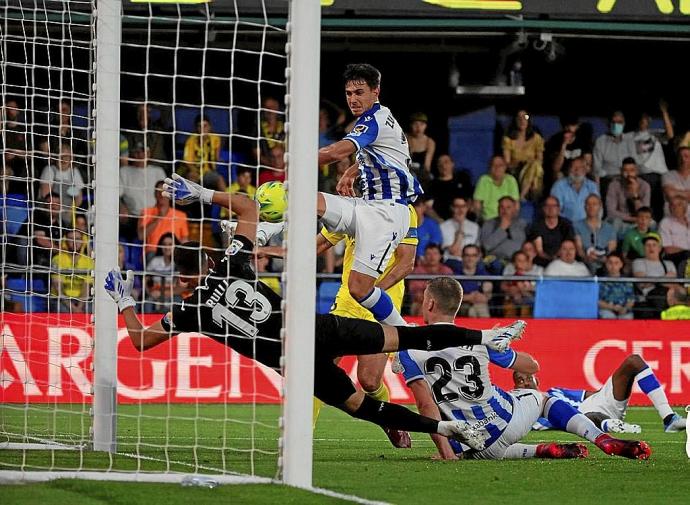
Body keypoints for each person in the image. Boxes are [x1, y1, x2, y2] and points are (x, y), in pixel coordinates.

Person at [107, 174, 527, 447]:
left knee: (362, 404)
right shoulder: (233, 261)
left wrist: (126, 303)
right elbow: (249, 207)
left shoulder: (190, 311)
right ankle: (487, 337)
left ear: (180, 282)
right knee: (409, 338)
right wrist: (201, 194)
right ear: (207, 262)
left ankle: (447, 429)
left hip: (298, 361)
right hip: (319, 329)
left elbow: (141, 341)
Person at [395, 277, 651, 460]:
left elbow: (425, 406)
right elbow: (533, 366)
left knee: (480, 445)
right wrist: (502, 345)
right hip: (505, 423)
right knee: (542, 400)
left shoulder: (410, 347)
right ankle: (598, 438)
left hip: (469, 443)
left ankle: (538, 450)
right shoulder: (480, 338)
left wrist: (446, 455)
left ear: (429, 304)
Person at [316, 63, 423, 327]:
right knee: (311, 202)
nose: (353, 99)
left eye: (359, 92)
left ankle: (405, 342)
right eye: (349, 93)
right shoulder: (385, 119)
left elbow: (335, 152)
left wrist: (294, 162)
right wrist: (353, 171)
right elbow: (392, 158)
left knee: (360, 291)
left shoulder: (372, 121)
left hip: (387, 216)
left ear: (376, 91)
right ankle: (265, 231)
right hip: (370, 209)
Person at [314, 203, 418, 447]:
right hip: (346, 305)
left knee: (369, 381)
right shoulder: (352, 209)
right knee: (318, 367)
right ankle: (299, 438)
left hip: (381, 307)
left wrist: (371, 295)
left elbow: (406, 263)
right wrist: (275, 250)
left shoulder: (405, 211)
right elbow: (319, 244)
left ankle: (390, 420)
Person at [517, 354, 686, 434]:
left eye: (528, 377)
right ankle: (609, 425)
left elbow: (592, 396)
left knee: (634, 361)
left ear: (537, 380)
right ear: (516, 386)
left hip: (598, 404)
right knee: (585, 415)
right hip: (581, 419)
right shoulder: (525, 408)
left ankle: (669, 418)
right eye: (520, 380)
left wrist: (616, 387)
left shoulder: (556, 392)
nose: (525, 382)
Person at [632, 232, 679, 319]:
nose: (651, 248)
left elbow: (673, 284)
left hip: (668, 298)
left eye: (654, 245)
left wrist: (654, 281)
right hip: (648, 300)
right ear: (643, 248)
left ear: (660, 248)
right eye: (648, 245)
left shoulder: (669, 264)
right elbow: (642, 283)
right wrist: (664, 278)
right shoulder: (638, 262)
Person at [502, 109, 545, 202]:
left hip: (534, 170)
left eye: (525, 117)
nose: (522, 120)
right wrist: (521, 162)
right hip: (516, 170)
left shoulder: (536, 138)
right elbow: (507, 163)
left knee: (535, 165)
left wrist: (530, 163)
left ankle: (523, 195)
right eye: (519, 118)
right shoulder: (508, 140)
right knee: (534, 167)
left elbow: (540, 160)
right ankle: (527, 196)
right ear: (515, 121)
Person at [138, 180, 189, 257]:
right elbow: (141, 236)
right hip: (153, 253)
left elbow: (184, 240)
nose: (161, 194)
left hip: (173, 253)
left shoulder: (181, 215)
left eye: (165, 192)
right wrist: (158, 218)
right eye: (159, 191)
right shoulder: (146, 212)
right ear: (155, 194)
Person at [543, 114, 591, 193]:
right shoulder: (554, 140)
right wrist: (564, 145)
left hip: (578, 172)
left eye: (572, 125)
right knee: (558, 176)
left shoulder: (583, 140)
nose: (569, 128)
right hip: (563, 173)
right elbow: (555, 168)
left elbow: (588, 164)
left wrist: (577, 170)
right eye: (566, 125)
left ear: (577, 126)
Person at [50, 228, 94, 313]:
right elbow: (58, 288)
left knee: (92, 309)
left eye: (78, 239)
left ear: (82, 241)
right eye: (71, 239)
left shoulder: (88, 261)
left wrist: (79, 307)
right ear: (65, 241)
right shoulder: (57, 259)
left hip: (81, 300)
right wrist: (73, 308)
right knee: (62, 310)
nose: (75, 242)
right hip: (61, 300)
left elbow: (86, 287)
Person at [119, 142, 168, 219]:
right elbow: (118, 195)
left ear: (148, 154)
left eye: (143, 152)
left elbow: (165, 195)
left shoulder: (158, 171)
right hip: (131, 216)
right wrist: (121, 207)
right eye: (137, 152)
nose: (140, 155)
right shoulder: (124, 171)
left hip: (154, 215)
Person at [605, 157, 651, 234]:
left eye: (632, 170)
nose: (629, 174)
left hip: (639, 222)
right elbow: (610, 212)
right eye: (625, 171)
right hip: (621, 221)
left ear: (636, 171)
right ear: (621, 171)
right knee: (612, 222)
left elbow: (645, 213)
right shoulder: (614, 185)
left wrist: (635, 195)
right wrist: (631, 218)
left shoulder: (645, 186)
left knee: (652, 224)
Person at [574, 194, 617, 274]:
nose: (591, 207)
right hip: (584, 264)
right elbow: (579, 248)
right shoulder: (577, 226)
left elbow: (612, 248)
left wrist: (601, 258)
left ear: (600, 206)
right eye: (588, 204)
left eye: (594, 204)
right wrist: (586, 257)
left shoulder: (609, 228)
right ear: (584, 207)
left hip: (605, 265)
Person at [446, 244, 492, 318]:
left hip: (479, 305)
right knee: (473, 311)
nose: (470, 259)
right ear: (462, 257)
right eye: (467, 255)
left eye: (473, 255)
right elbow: (451, 297)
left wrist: (483, 297)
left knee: (479, 309)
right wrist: (469, 297)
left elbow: (487, 295)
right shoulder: (454, 274)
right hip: (461, 306)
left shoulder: (484, 274)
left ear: (478, 257)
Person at [181, 114, 225, 190]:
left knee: (219, 179)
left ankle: (227, 200)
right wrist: (196, 173)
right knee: (191, 179)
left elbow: (217, 157)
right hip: (195, 171)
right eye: (199, 126)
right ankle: (192, 201)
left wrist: (219, 160)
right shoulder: (191, 140)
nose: (202, 129)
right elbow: (188, 162)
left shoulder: (216, 138)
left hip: (209, 172)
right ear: (196, 128)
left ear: (210, 127)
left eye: (205, 126)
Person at [528, 196, 575, 267]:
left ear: (559, 209)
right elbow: (539, 251)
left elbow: (567, 245)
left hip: (562, 260)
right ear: (543, 208)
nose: (551, 208)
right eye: (547, 206)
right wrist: (551, 259)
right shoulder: (537, 225)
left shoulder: (566, 224)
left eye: (554, 206)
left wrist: (556, 258)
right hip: (541, 261)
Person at [550, 156, 600, 223]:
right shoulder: (559, 186)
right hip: (565, 227)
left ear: (585, 171)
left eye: (580, 168)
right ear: (569, 170)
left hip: (587, 227)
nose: (577, 170)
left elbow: (598, 209)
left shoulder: (592, 186)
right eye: (574, 167)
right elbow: (554, 211)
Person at [409, 244, 454, 316]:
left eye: (435, 253)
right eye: (428, 254)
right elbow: (418, 295)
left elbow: (449, 294)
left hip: (443, 304)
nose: (432, 257)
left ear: (440, 256)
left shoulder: (447, 271)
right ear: (424, 256)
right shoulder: (418, 271)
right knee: (421, 308)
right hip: (421, 302)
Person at [473, 155, 520, 222]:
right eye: (494, 165)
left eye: (500, 165)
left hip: (507, 219)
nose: (497, 168)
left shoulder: (511, 180)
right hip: (488, 220)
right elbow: (477, 205)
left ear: (505, 167)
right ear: (490, 168)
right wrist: (481, 221)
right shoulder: (483, 180)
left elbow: (516, 205)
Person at [479, 196, 527, 262]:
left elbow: (521, 245)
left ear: (514, 209)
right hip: (494, 261)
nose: (504, 210)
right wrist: (502, 228)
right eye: (501, 207)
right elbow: (486, 246)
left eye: (508, 207)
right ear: (498, 209)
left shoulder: (522, 224)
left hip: (516, 261)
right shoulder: (488, 224)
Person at [593, 110, 636, 185]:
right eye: (613, 122)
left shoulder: (629, 140)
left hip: (627, 178)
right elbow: (597, 168)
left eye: (619, 122)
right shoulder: (600, 141)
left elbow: (634, 163)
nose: (616, 125)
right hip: (608, 179)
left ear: (624, 124)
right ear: (609, 124)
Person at [427, 154, 473, 221]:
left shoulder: (462, 180)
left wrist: (463, 217)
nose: (443, 165)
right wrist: (439, 221)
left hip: (463, 220)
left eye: (446, 162)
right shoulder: (432, 185)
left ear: (452, 164)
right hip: (442, 222)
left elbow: (469, 201)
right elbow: (428, 207)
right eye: (440, 163)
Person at [440, 197, 480, 262]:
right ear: (452, 208)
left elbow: (477, 251)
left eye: (463, 206)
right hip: (452, 260)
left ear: (467, 208)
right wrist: (461, 226)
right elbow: (453, 251)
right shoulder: (443, 226)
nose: (460, 210)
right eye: (457, 206)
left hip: (471, 262)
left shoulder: (475, 227)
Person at [500, 250, 537, 318]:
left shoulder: (530, 276)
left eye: (524, 260)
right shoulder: (515, 275)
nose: (522, 263)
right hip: (514, 301)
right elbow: (504, 286)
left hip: (526, 301)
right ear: (514, 263)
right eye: (519, 260)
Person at [598, 252, 635, 319]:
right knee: (608, 317)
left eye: (616, 263)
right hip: (607, 310)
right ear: (606, 264)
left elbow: (631, 299)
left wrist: (625, 309)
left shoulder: (627, 281)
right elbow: (598, 301)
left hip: (624, 311)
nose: (613, 266)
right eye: (610, 263)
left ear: (621, 264)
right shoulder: (601, 281)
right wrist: (613, 307)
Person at [659, 195, 690, 268]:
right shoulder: (665, 223)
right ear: (669, 207)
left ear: (685, 207)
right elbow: (667, 249)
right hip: (675, 257)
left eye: (679, 205)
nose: (675, 207)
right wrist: (687, 251)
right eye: (672, 205)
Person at [406, 112, 436, 186]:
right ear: (411, 125)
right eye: (415, 124)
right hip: (406, 170)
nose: (418, 128)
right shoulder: (405, 138)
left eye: (421, 125)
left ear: (425, 126)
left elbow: (427, 165)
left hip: (421, 172)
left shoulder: (429, 142)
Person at [661, 146, 690, 219]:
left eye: (686, 156)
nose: (683, 159)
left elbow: (673, 193)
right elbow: (670, 194)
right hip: (671, 217)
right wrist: (687, 194)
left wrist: (676, 193)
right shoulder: (667, 175)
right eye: (680, 156)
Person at [413, 196, 443, 261]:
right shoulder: (406, 225)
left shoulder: (432, 224)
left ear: (424, 207)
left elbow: (435, 244)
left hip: (427, 260)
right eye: (415, 206)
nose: (416, 209)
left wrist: (423, 257)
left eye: (419, 206)